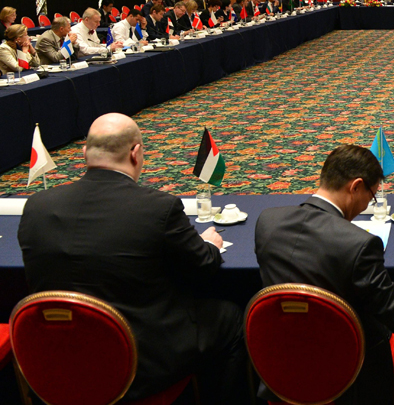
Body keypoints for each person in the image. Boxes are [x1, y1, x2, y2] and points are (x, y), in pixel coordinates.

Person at [18, 114, 247, 404]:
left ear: (84, 154)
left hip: (56, 359)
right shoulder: (159, 208)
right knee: (231, 318)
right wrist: (209, 245)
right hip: (138, 367)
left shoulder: (37, 206)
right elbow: (203, 266)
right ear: (136, 154)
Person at [256, 145, 394, 404]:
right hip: (347, 373)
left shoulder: (267, 222)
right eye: (371, 197)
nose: (367, 205)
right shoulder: (360, 244)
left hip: (281, 364)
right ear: (355, 186)